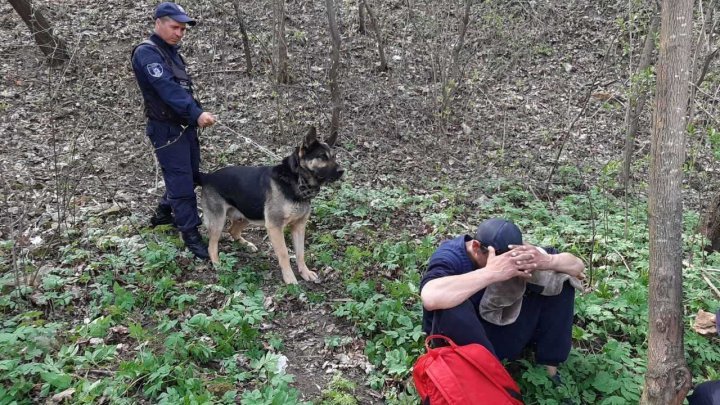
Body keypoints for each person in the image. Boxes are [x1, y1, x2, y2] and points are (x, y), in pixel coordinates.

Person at [420, 218, 585, 380]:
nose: (509, 263)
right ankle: (490, 376)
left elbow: (577, 266)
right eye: (501, 258)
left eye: (511, 258)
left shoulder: (517, 251)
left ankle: (550, 370)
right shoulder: (451, 255)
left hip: (503, 323)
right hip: (467, 338)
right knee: (452, 304)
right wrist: (492, 272)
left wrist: (549, 260)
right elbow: (430, 296)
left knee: (562, 278)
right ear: (477, 247)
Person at [131, 2, 217, 259]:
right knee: (181, 181)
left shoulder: (171, 52)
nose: (180, 33)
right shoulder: (148, 53)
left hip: (184, 127)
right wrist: (196, 113)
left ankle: (163, 213)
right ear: (158, 23)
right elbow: (167, 89)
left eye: (183, 29)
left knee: (189, 174)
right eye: (175, 27)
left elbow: (183, 89)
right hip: (165, 129)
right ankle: (190, 234)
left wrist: (195, 113)